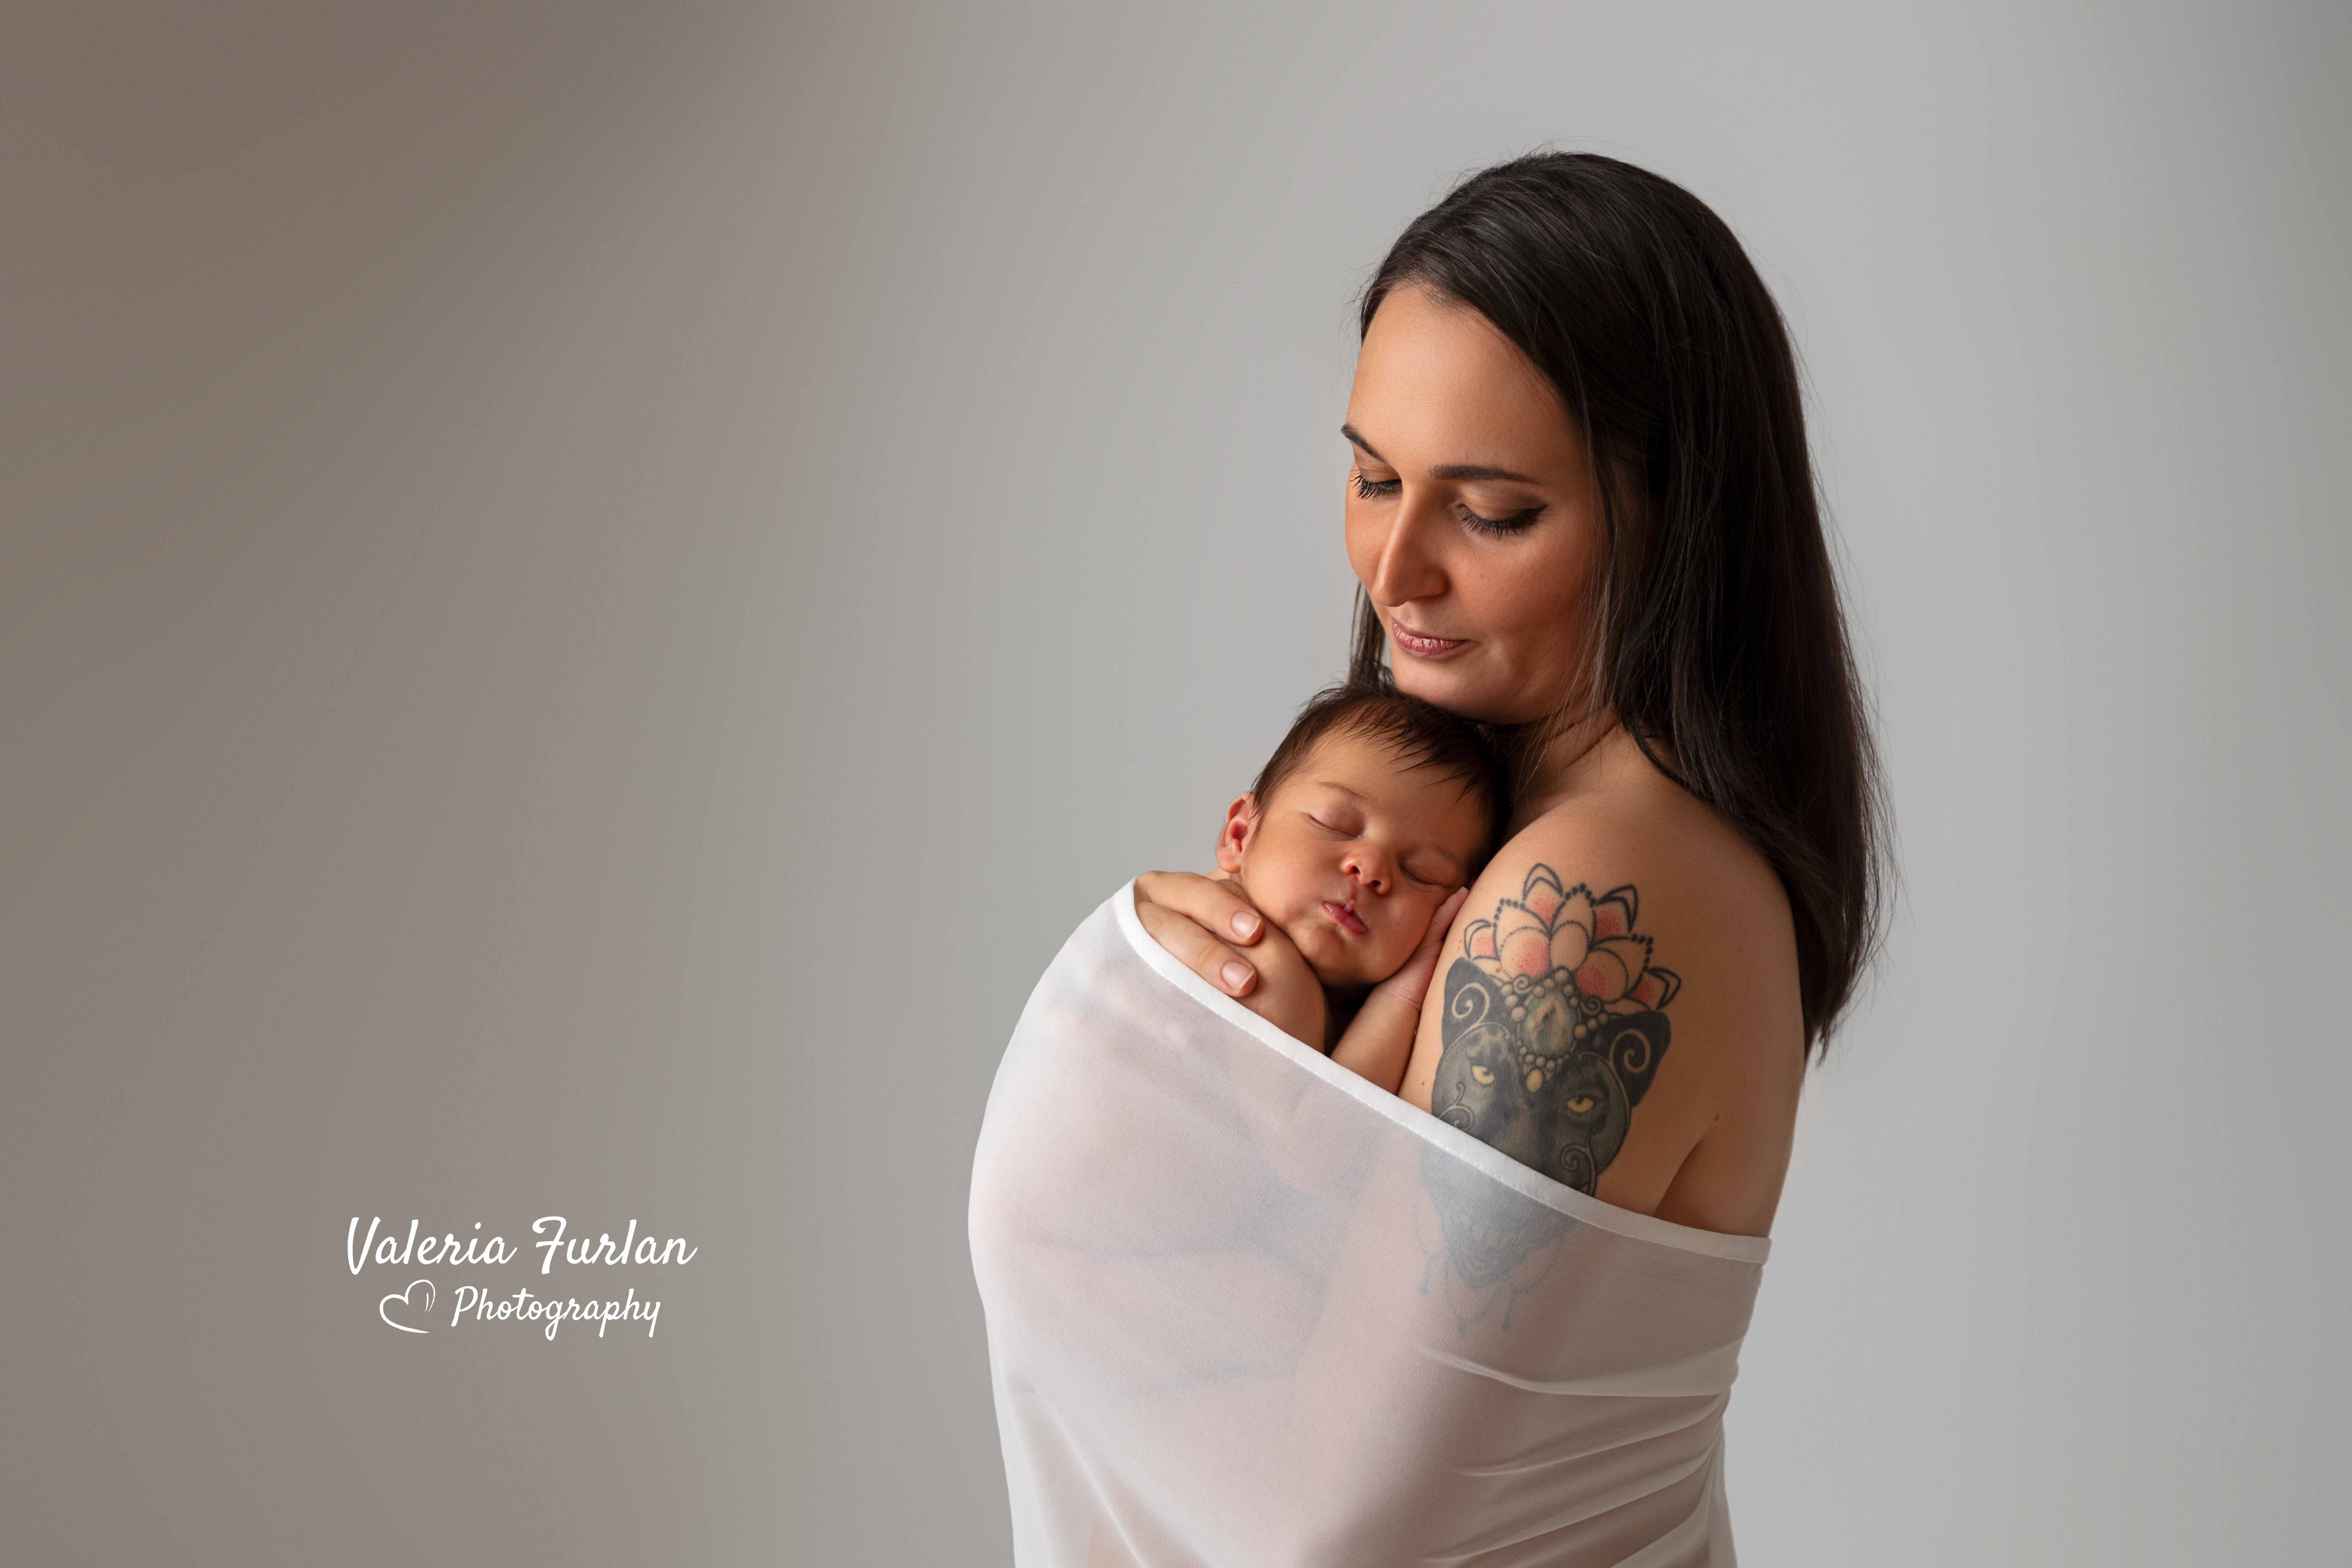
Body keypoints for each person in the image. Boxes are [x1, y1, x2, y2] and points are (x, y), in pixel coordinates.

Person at [1133, 149, 1888, 1238]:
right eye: (1374, 480)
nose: (1393, 572)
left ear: (1671, 522)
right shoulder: (1514, 833)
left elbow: (1360, 1355)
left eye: (1489, 513)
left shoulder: (1583, 888)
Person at [1198, 680, 1503, 1091]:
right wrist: (1401, 996)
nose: (1372, 868)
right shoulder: (1253, 963)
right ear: (1240, 835)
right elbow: (1324, 1126)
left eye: (1420, 872)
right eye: (1336, 825)